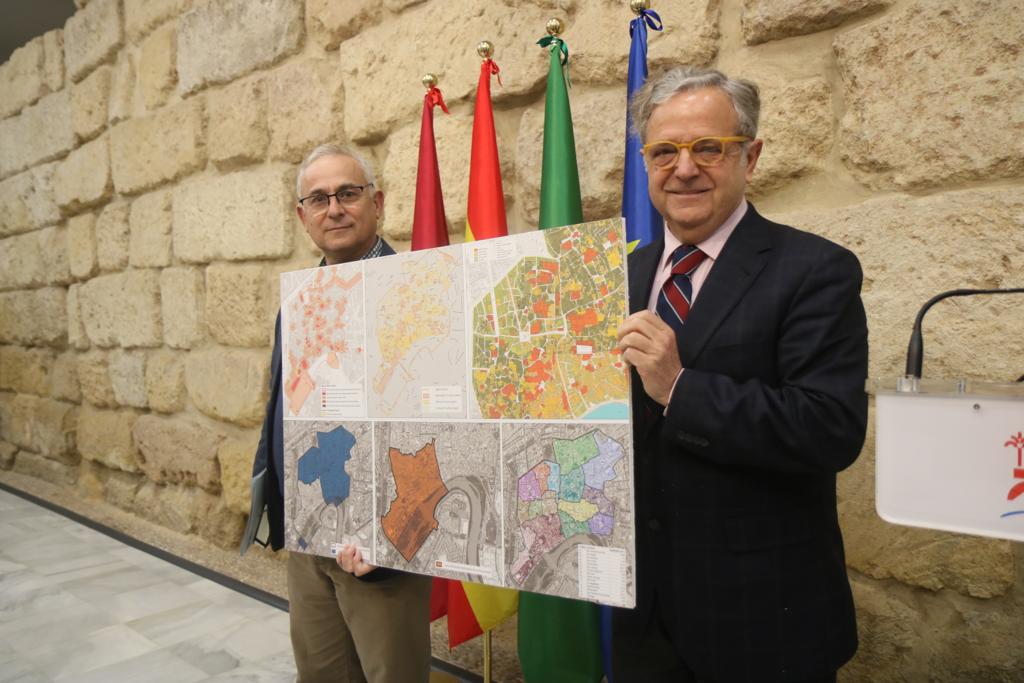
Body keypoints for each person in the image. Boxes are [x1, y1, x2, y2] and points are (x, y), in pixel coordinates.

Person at [613, 66, 868, 683]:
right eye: (665, 151)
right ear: (645, 162)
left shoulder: (815, 270)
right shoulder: (616, 278)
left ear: (750, 156)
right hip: (643, 617)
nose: (685, 167)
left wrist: (680, 389)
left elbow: (830, 429)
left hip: (764, 621)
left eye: (709, 148)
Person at [240, 144, 432, 683]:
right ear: (303, 216)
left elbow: (441, 430)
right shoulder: (300, 301)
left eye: (348, 193)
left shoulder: (420, 293)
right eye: (319, 199)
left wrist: (395, 534)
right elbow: (283, 406)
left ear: (377, 203)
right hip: (309, 533)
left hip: (381, 549)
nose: (335, 208)